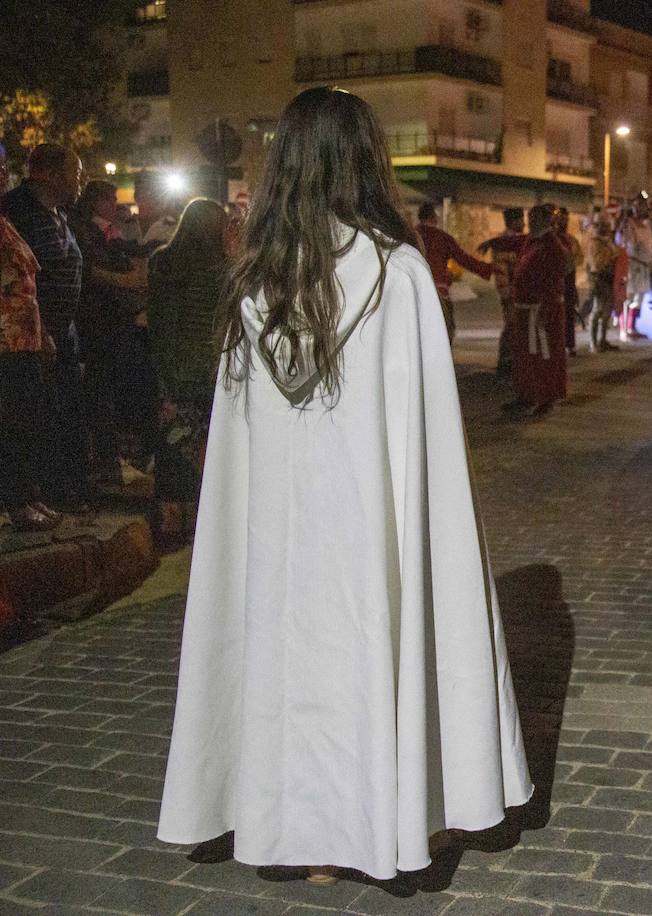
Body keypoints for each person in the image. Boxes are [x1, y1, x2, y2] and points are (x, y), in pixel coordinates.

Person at [157, 86, 532, 884]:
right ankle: (371, 826)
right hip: (369, 522)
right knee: (372, 644)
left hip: (279, 534)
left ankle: (288, 826)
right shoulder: (397, 277)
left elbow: (240, 448)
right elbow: (424, 437)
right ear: (365, 162)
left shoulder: (255, 283)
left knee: (282, 654)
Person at [1, 143, 89, 510]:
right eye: (75, 170)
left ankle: (58, 491)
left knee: (61, 411)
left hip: (57, 331)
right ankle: (31, 495)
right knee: (29, 417)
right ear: (49, 174)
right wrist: (46, 331)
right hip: (28, 335)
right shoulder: (17, 211)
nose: (81, 179)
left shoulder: (59, 214)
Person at [144, 198, 228, 543]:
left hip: (169, 366)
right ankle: (201, 522)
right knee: (204, 444)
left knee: (171, 444)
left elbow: (157, 318)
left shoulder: (161, 262)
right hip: (209, 369)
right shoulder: (224, 269)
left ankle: (169, 521)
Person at [73, 179, 154, 477]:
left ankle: (112, 455)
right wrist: (128, 279)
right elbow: (96, 269)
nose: (113, 205)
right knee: (103, 388)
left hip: (110, 318)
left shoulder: (109, 231)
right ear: (95, 202)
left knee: (109, 387)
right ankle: (108, 458)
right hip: (100, 320)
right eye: (108, 199)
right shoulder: (89, 231)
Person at [0, 208, 62, 530]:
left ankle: (27, 495)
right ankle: (17, 501)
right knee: (10, 422)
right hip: (5, 339)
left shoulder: (6, 221)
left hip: (22, 338)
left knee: (26, 418)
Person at [509, 203, 569, 415]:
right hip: (526, 310)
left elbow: (554, 279)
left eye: (534, 218)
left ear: (544, 221)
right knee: (525, 355)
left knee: (544, 357)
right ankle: (526, 394)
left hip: (541, 310)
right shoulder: (532, 240)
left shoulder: (551, 244)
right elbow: (511, 241)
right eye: (530, 218)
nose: (530, 222)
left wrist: (547, 308)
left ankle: (546, 398)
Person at [414, 201, 492, 341]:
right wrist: (487, 269)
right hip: (439, 293)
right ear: (434, 218)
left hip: (414, 293)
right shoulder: (442, 238)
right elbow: (463, 259)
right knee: (444, 333)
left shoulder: (410, 236)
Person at [478, 207, 525, 374]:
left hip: (521, 293)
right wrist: (506, 294)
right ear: (513, 222)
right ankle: (505, 362)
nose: (523, 223)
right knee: (511, 326)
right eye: (520, 219)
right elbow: (500, 272)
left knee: (518, 327)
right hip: (511, 293)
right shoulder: (503, 244)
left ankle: (514, 361)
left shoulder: (516, 241)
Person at [616, 199, 652, 341]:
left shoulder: (646, 225)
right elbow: (622, 242)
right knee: (627, 297)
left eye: (643, 207)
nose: (641, 210)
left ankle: (633, 326)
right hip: (632, 265)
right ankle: (624, 329)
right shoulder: (628, 224)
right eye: (638, 207)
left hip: (644, 265)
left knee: (639, 297)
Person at [585, 218, 620, 352]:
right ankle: (593, 343)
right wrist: (609, 257)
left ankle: (603, 340)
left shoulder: (607, 242)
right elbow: (597, 263)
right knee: (597, 310)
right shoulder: (595, 243)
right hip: (599, 278)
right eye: (604, 226)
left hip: (608, 278)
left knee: (606, 311)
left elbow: (615, 253)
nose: (606, 229)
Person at [552, 207, 581, 358]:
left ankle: (570, 344)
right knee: (557, 316)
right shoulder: (552, 239)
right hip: (556, 282)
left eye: (566, 219)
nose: (564, 222)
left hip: (569, 282)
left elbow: (577, 260)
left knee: (569, 314)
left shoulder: (570, 240)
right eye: (561, 219)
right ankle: (557, 346)